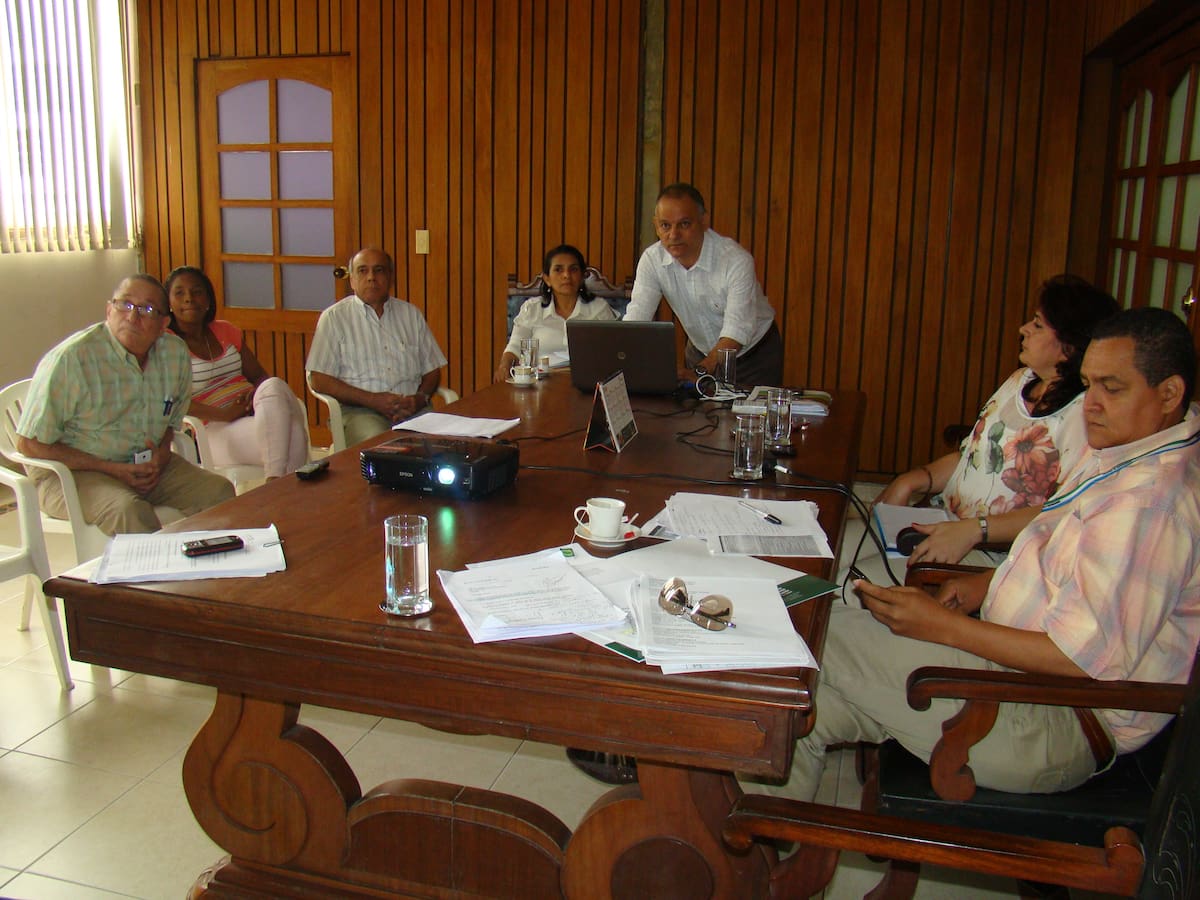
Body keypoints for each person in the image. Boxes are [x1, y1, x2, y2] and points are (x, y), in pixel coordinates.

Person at [765, 306, 1200, 803]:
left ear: (1170, 393)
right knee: (795, 708)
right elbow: (1075, 570)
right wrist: (987, 584)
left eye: (1112, 388)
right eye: (1088, 385)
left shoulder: (1150, 506)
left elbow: (1079, 660)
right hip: (1017, 675)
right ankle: (756, 840)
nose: (1091, 405)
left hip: (1056, 717)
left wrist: (940, 627)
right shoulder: (1134, 449)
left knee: (809, 627)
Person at [877, 275, 1119, 565]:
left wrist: (976, 529)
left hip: (994, 552)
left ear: (1069, 346)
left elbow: (1062, 510)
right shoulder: (1021, 380)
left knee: (847, 578)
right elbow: (972, 457)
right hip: (943, 521)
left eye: (1038, 325)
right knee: (840, 546)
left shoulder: (1083, 415)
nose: (1023, 329)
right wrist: (910, 480)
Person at [16, 275, 236, 535]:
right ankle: (158, 563)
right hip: (72, 472)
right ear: (109, 310)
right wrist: (112, 469)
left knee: (219, 492)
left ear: (164, 323)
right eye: (125, 305)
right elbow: (28, 444)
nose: (132, 317)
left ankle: (208, 559)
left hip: (145, 466)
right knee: (128, 511)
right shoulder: (72, 360)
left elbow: (170, 421)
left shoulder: (174, 354)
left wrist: (161, 455)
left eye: (147, 309)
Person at [623, 183, 782, 386]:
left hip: (753, 357)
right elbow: (636, 320)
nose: (673, 235)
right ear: (655, 225)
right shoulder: (652, 260)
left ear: (704, 221)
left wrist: (700, 371)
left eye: (684, 224)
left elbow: (736, 331)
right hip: (700, 353)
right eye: (665, 225)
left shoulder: (735, 260)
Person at [165, 266, 310, 480]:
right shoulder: (166, 344)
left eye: (197, 292)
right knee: (294, 433)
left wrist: (253, 397)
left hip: (255, 413)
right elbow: (174, 401)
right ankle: (276, 483)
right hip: (212, 429)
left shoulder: (224, 330)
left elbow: (259, 376)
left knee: (273, 385)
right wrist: (226, 414)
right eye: (179, 293)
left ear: (208, 299)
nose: (189, 298)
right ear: (168, 302)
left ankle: (275, 483)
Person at [306, 247, 447, 445]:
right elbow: (319, 379)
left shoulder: (410, 315)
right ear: (352, 280)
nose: (371, 277)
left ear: (390, 277)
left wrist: (419, 399)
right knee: (382, 445)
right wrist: (372, 400)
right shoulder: (334, 318)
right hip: (360, 412)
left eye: (379, 270)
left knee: (445, 443)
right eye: (363, 270)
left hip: (412, 409)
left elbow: (432, 371)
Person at [494, 244, 616, 382]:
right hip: (539, 384)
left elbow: (611, 352)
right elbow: (515, 346)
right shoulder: (532, 309)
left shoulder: (599, 309)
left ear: (582, 276)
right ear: (547, 279)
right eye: (558, 270)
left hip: (587, 384)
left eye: (573, 269)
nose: (566, 275)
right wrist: (504, 366)